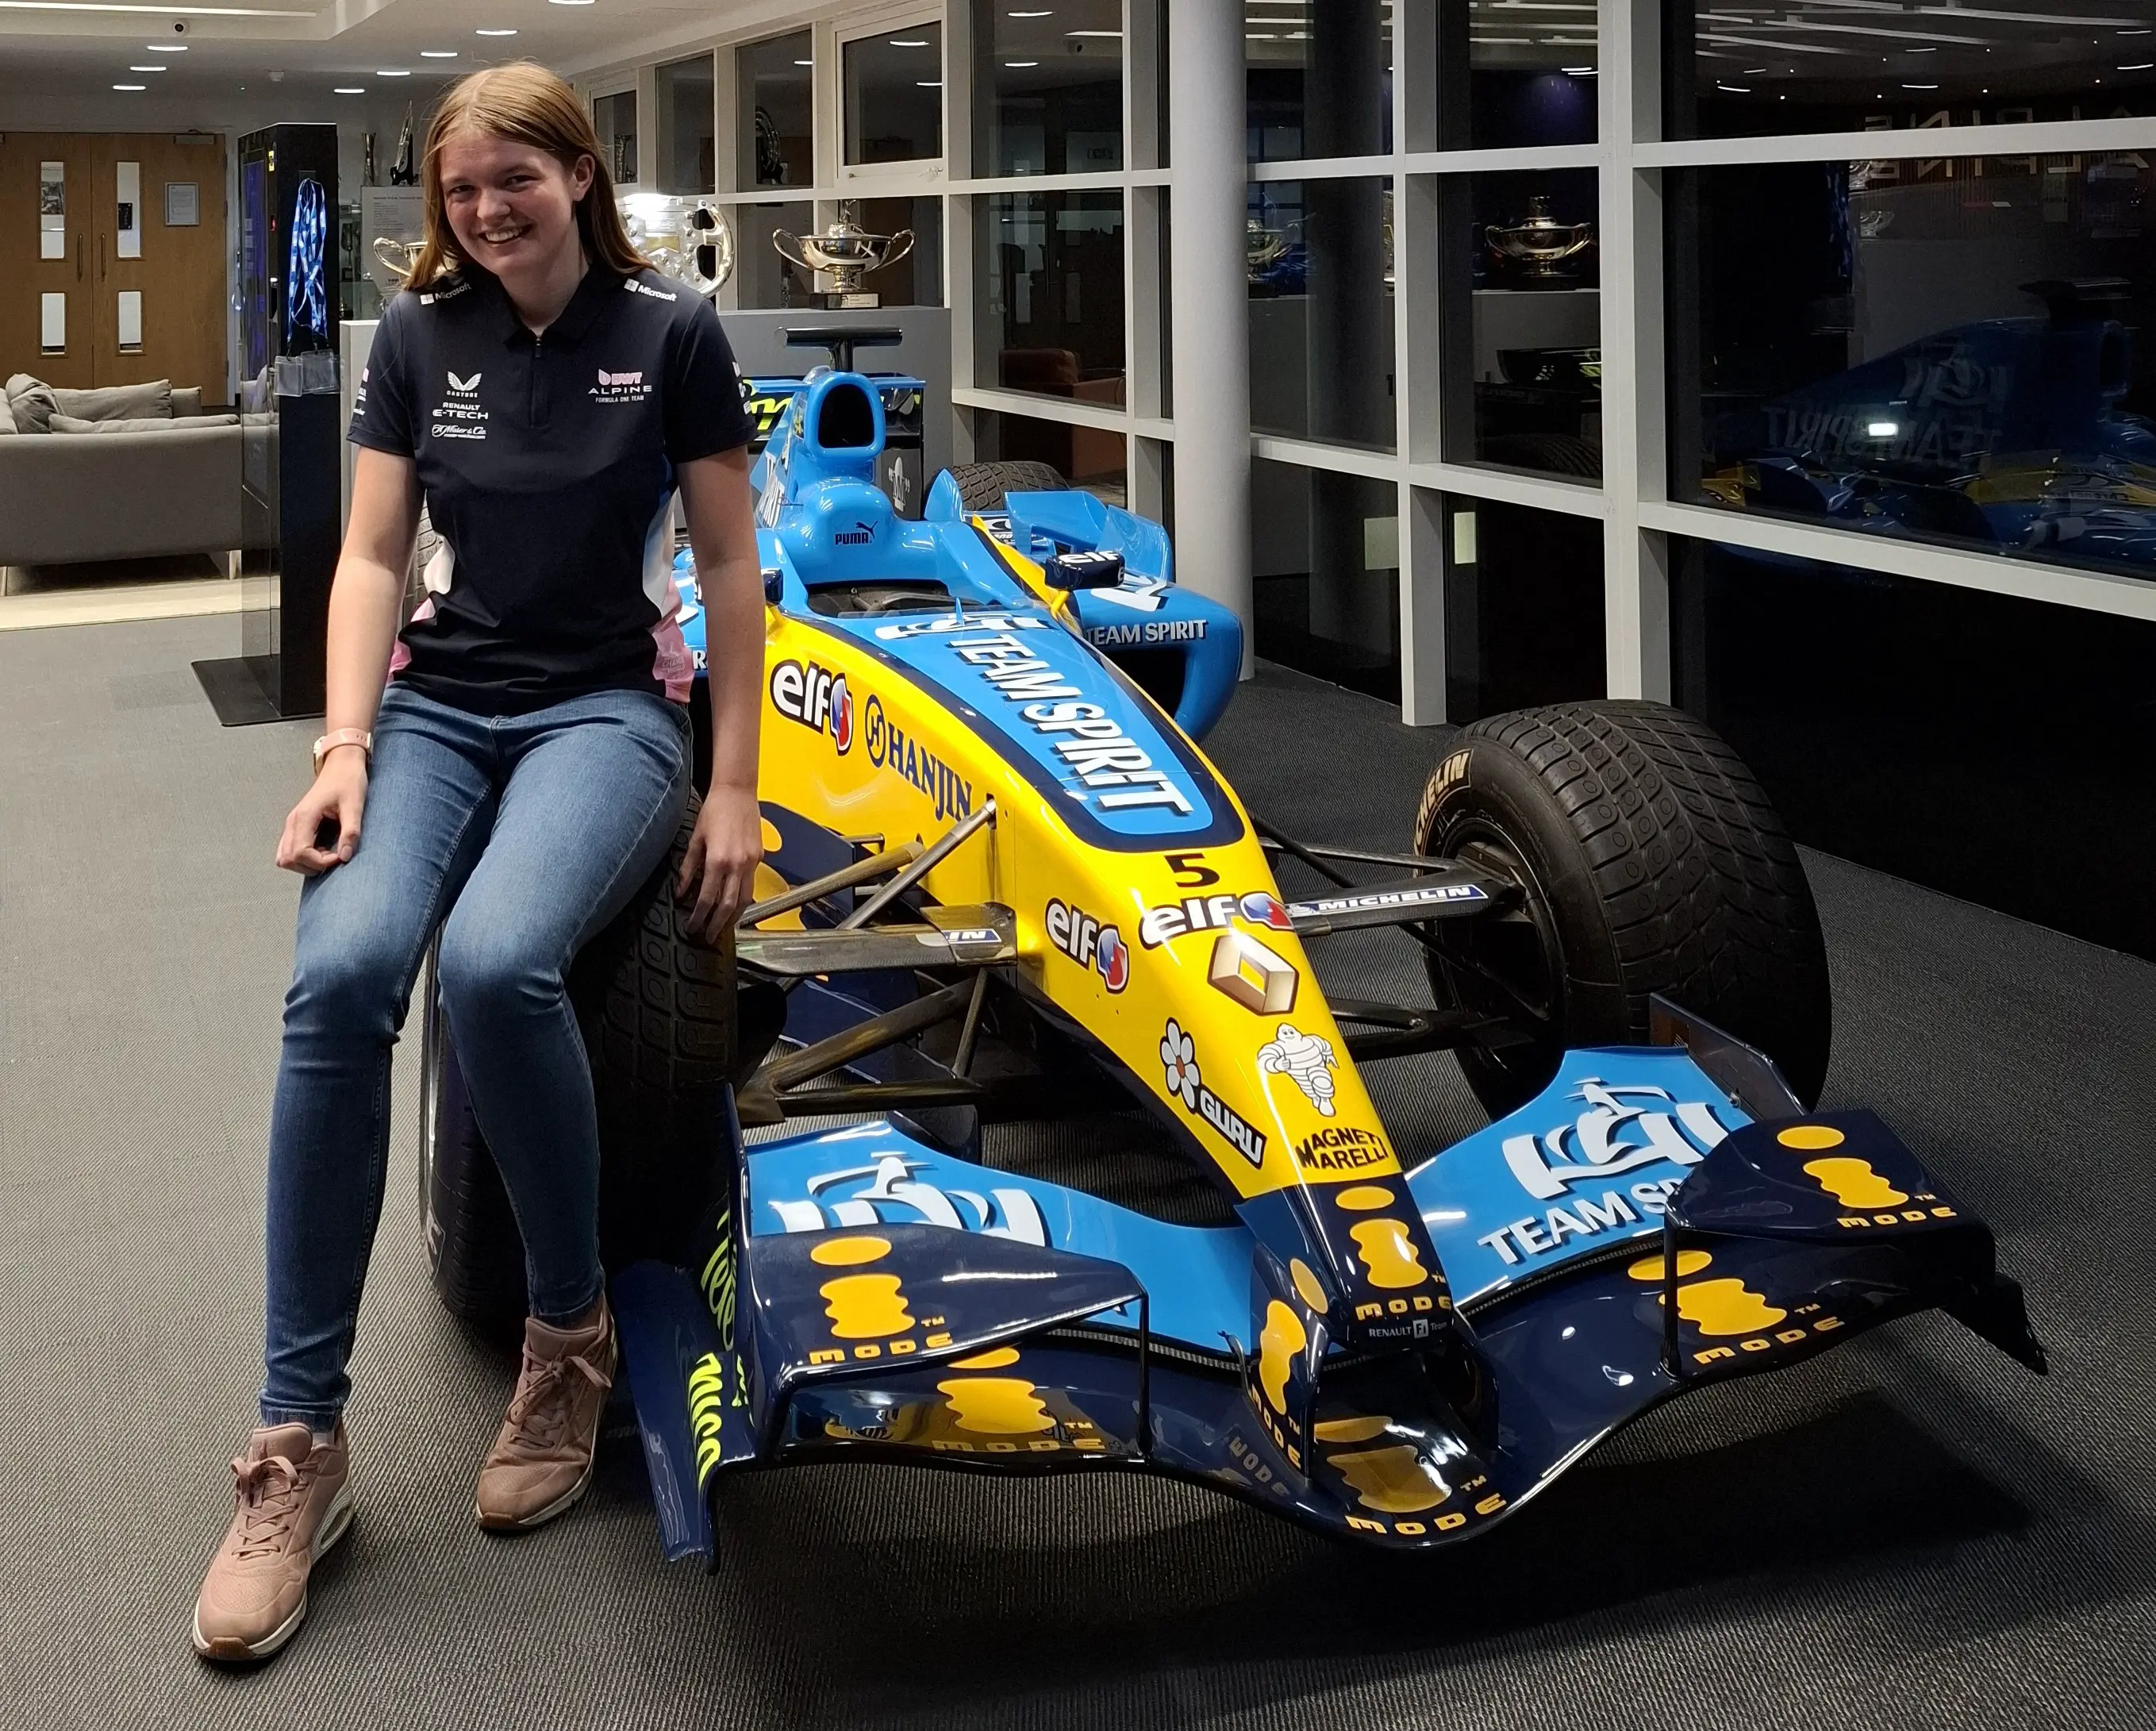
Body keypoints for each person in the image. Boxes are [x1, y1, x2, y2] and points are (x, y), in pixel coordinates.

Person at [192, 63, 764, 1662]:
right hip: (437, 706)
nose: (486, 209)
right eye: (460, 190)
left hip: (605, 711)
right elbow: (373, 556)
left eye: (514, 178)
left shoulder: (675, 340)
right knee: (341, 979)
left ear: (577, 177)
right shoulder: (414, 344)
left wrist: (732, 785)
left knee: (502, 965)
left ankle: (566, 1329)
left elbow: (726, 565)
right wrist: (343, 746)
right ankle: (297, 1444)